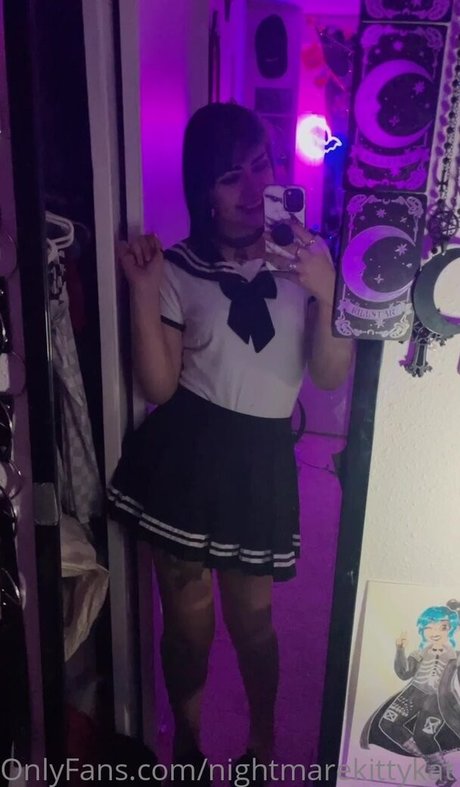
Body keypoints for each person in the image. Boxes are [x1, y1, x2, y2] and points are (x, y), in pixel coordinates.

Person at [108, 102, 354, 785]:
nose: (252, 188)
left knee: (253, 623)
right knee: (188, 624)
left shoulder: (310, 262)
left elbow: (329, 375)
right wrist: (143, 291)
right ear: (204, 192)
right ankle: (187, 744)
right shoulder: (180, 267)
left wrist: (329, 294)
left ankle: (263, 743)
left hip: (260, 464)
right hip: (187, 457)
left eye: (260, 166)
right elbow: (160, 386)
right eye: (229, 177)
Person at [361, 603, 460, 787]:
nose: (435, 632)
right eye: (429, 627)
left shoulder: (456, 656)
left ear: (452, 628)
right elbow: (403, 673)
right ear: (422, 629)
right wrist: (400, 649)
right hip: (412, 695)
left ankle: (446, 774)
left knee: (423, 736)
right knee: (388, 724)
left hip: (437, 702)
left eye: (442, 627)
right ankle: (431, 759)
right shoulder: (419, 653)